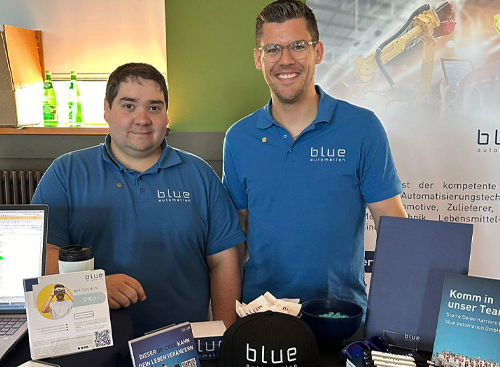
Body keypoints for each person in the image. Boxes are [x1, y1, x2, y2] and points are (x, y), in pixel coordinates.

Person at [32, 63, 245, 336]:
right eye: (129, 106)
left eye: (154, 108)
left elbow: (224, 261)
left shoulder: (199, 175)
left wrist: (225, 337)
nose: (142, 119)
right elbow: (42, 255)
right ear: (107, 109)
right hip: (92, 346)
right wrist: (93, 286)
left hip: (181, 346)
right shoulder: (66, 173)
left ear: (167, 116)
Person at [222, 0, 407, 314]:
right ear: (258, 58)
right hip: (262, 317)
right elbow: (233, 240)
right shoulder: (238, 139)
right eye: (272, 49)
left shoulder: (363, 128)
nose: (285, 60)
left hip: (340, 317)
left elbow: (394, 227)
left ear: (317, 52)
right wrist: (227, 323)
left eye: (297, 46)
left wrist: (400, 317)